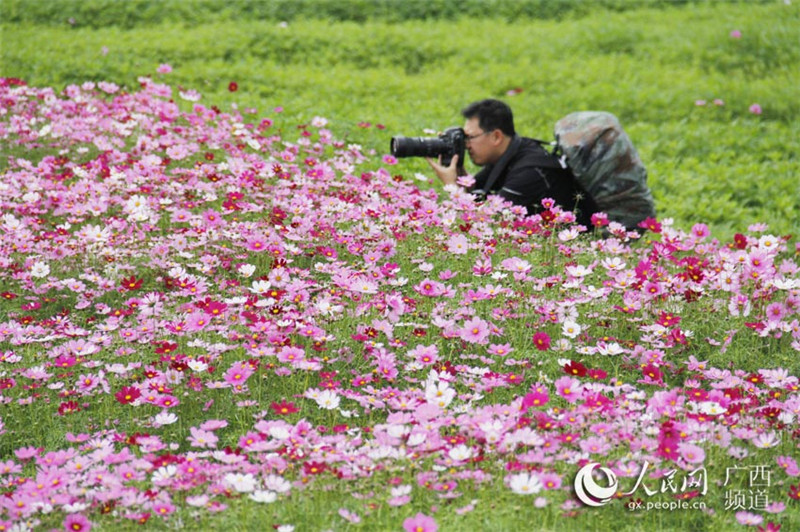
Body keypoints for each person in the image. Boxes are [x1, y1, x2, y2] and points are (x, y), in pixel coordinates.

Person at [426, 99, 599, 228]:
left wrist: (451, 187)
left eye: (470, 137)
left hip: (576, 243)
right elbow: (477, 197)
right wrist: (460, 175)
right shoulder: (509, 153)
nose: (466, 145)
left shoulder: (529, 172)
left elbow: (488, 223)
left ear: (496, 136)